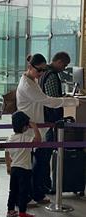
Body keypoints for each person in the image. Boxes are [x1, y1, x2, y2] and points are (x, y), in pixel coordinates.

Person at [16, 53, 79, 203]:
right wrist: (72, 101)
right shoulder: (27, 84)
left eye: (43, 70)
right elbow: (47, 101)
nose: (42, 74)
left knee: (34, 164)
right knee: (27, 165)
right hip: (30, 129)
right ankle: (25, 197)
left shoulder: (32, 80)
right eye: (39, 70)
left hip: (36, 128)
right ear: (30, 67)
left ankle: (35, 194)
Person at [38, 51, 71, 193]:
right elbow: (52, 100)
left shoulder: (44, 73)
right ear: (58, 62)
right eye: (64, 65)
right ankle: (46, 184)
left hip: (44, 118)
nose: (64, 68)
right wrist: (67, 100)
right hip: (50, 120)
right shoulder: (51, 75)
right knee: (46, 154)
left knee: (45, 153)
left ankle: (44, 183)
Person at [5, 111, 41, 217]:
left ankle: (10, 210)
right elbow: (38, 141)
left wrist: (8, 166)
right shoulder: (25, 138)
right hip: (25, 169)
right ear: (25, 126)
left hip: (14, 168)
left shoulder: (10, 138)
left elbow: (6, 153)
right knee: (23, 192)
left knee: (13, 190)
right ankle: (22, 213)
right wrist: (35, 128)